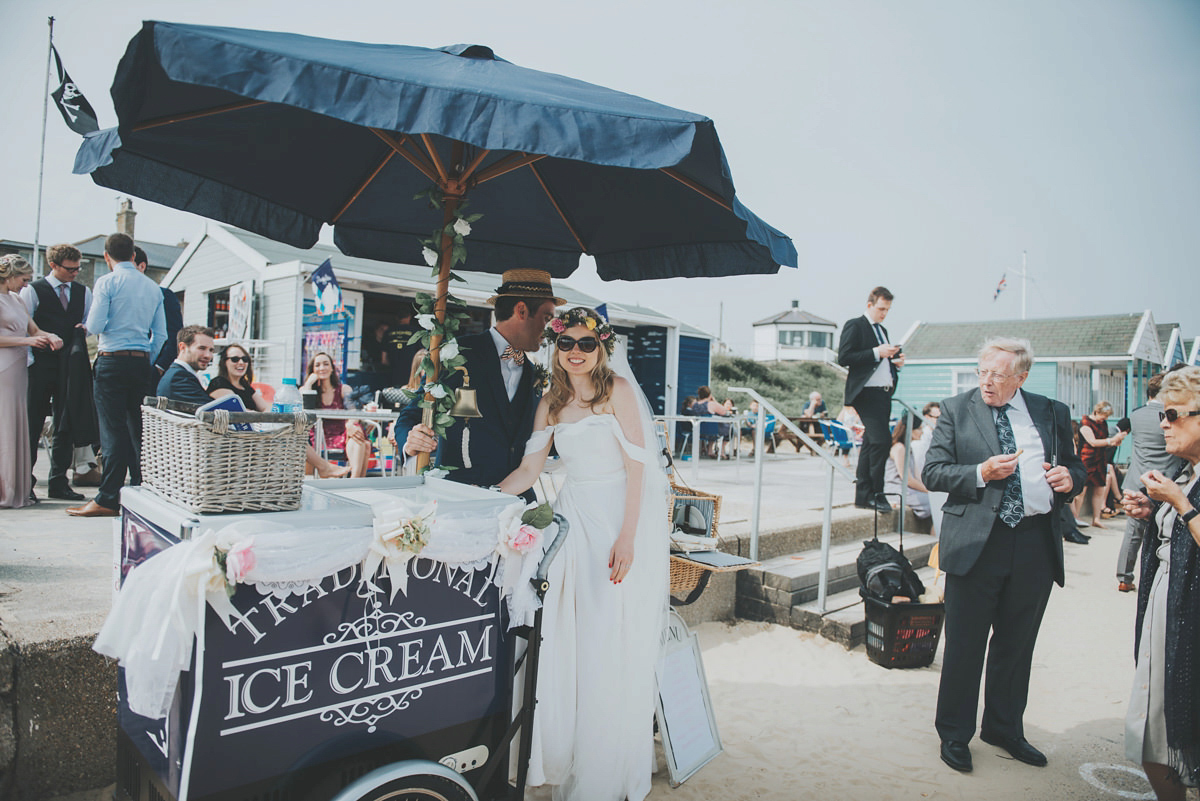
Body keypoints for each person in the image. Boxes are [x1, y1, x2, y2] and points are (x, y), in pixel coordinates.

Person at [497, 306, 668, 801]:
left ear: (602, 347)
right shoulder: (550, 402)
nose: (575, 351)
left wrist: (628, 537)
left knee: (606, 634)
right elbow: (531, 471)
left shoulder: (619, 391)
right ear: (556, 347)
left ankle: (604, 765)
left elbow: (640, 468)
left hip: (617, 518)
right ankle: (557, 752)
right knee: (566, 632)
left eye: (585, 343)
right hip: (573, 520)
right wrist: (489, 501)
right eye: (566, 343)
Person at [922, 337, 1083, 774]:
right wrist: (980, 472)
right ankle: (955, 734)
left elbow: (1075, 464)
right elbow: (933, 471)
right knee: (965, 646)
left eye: (998, 374)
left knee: (1016, 645)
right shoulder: (956, 408)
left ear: (1021, 378)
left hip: (1034, 543)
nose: (987, 381)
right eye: (982, 371)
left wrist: (1072, 477)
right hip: (977, 544)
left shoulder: (1051, 411)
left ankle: (1004, 728)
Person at [401, 269, 560, 492]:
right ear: (522, 310)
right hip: (458, 496)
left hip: (517, 500)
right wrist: (411, 441)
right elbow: (411, 415)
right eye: (547, 318)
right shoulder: (456, 354)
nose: (549, 329)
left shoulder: (534, 373)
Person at [1120, 366, 1200, 800]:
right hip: (1169, 607)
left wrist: (1179, 503)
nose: (1164, 423)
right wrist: (1154, 514)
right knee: (1155, 730)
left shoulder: (1186, 484)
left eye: (1175, 414)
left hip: (1189, 615)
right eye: (1162, 414)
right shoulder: (1187, 472)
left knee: (1170, 728)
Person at [68, 233, 166, 518]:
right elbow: (160, 335)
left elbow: (97, 323)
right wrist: (145, 356)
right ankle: (141, 490)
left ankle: (108, 498)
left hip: (112, 360)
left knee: (112, 431)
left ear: (107, 256)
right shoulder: (152, 287)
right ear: (134, 256)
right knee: (138, 429)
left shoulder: (107, 282)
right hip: (140, 361)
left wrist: (88, 326)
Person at [208, 344, 351, 478]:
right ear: (224, 362)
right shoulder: (219, 383)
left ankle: (310, 473)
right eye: (234, 359)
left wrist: (280, 410)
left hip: (253, 432)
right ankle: (321, 467)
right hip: (234, 436)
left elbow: (264, 406)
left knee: (293, 429)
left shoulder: (244, 385)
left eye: (244, 359)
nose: (241, 362)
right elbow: (238, 410)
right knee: (292, 432)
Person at [19, 244, 91, 501]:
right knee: (32, 422)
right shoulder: (33, 290)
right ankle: (24, 482)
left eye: (77, 268)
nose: (75, 273)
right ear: (53, 265)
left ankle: (59, 482)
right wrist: (28, 363)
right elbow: (24, 325)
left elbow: (87, 326)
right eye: (70, 269)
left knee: (65, 422)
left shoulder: (84, 292)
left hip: (70, 366)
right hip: (39, 365)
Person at [1, 255, 63, 507]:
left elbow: (34, 330)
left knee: (16, 423)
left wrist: (51, 335)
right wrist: (25, 341)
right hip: (3, 367)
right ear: (9, 276)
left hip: (18, 369)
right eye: (23, 280)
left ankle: (13, 486)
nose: (26, 285)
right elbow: (25, 337)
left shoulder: (16, 300)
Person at [839, 286, 904, 512]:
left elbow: (879, 363)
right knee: (881, 442)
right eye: (881, 309)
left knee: (870, 443)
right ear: (870, 305)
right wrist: (877, 352)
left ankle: (864, 495)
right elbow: (844, 356)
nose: (884, 313)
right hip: (866, 393)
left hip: (883, 393)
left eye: (887, 310)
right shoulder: (855, 325)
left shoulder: (882, 330)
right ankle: (877, 493)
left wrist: (893, 362)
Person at [1117, 374, 1183, 593]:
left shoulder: (1136, 415)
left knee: (1133, 533)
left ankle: (1124, 577)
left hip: (1137, 478)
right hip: (1166, 479)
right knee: (1163, 531)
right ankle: (1155, 577)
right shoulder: (1171, 418)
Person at [304, 352, 370, 478]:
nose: (322, 368)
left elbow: (353, 411)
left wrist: (350, 424)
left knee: (357, 434)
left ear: (332, 368)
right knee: (364, 444)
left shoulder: (343, 389)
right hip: (318, 434)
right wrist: (309, 383)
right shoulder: (307, 390)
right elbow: (303, 410)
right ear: (312, 369)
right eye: (317, 365)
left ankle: (353, 480)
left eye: (326, 364)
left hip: (341, 432)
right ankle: (355, 484)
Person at [133, 246, 183, 383]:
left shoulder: (164, 295)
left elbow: (175, 334)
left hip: (152, 371)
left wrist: (159, 366)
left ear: (141, 266)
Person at [1080, 401, 1127, 527]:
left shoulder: (1103, 424)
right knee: (1081, 491)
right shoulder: (1085, 423)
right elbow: (1093, 442)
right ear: (1097, 412)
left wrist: (1115, 442)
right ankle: (1076, 518)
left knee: (1100, 489)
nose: (1105, 419)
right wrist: (1111, 440)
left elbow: (1104, 441)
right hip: (1087, 459)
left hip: (1100, 459)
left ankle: (1096, 519)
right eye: (1104, 416)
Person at [884, 413, 931, 518]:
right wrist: (929, 491)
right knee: (932, 503)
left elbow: (916, 476)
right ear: (911, 430)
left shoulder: (908, 448)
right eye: (919, 429)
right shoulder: (899, 448)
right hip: (896, 490)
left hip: (907, 489)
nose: (922, 432)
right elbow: (907, 479)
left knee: (935, 501)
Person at [156, 325, 215, 405]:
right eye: (202, 348)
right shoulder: (178, 378)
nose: (208, 355)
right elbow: (211, 409)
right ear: (182, 347)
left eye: (211, 350)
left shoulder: (180, 375)